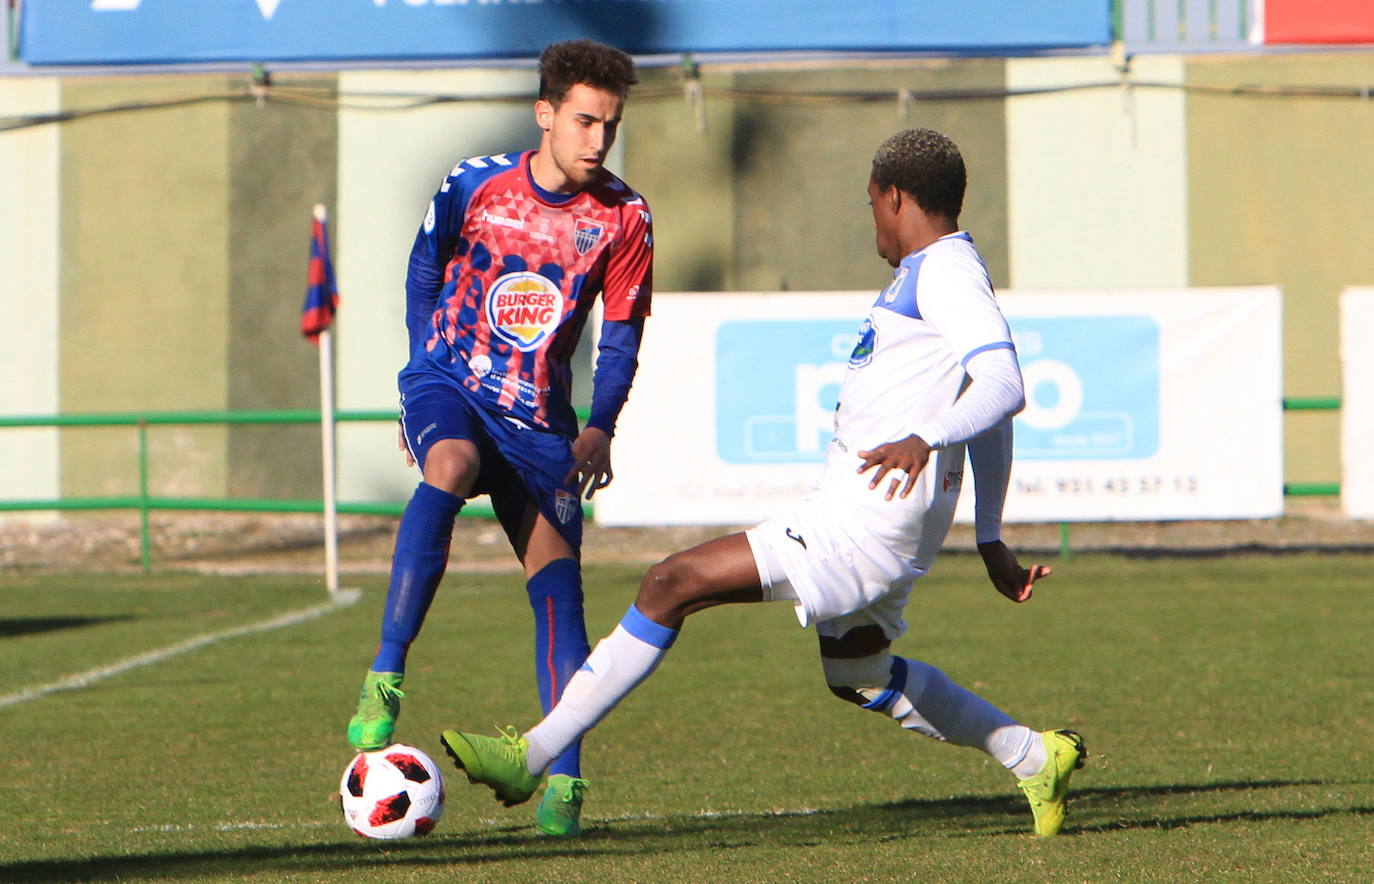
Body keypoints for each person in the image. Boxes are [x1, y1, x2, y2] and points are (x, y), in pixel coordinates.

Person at [438, 128, 1087, 837]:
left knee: (668, 583)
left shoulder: (945, 273)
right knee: (859, 674)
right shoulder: (938, 271)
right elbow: (989, 409)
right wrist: (989, 533)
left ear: (895, 197)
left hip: (863, 524)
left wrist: (924, 439)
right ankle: (1032, 756)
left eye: (872, 204)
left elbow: (1003, 384)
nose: (871, 220)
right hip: (875, 518)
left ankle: (532, 754)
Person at [346, 38, 653, 839]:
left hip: (539, 420)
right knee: (447, 467)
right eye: (584, 121)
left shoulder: (625, 218)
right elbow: (424, 269)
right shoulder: (474, 183)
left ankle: (567, 782)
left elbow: (618, 337)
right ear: (545, 113)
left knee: (557, 589)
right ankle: (385, 674)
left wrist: (599, 427)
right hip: (450, 383)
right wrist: (421, 363)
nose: (596, 140)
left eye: (609, 126)